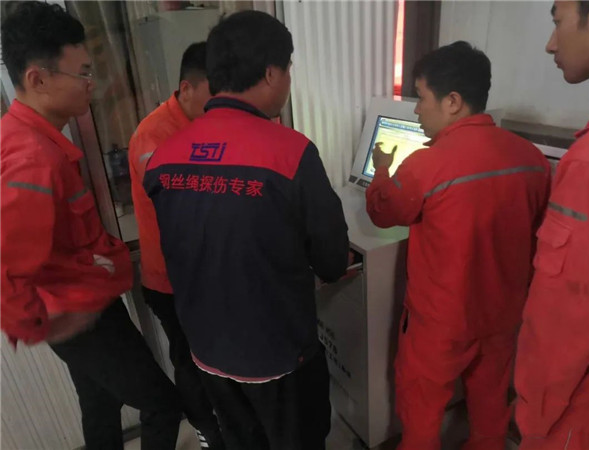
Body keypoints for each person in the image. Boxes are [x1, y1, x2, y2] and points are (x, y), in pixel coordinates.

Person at [144, 10, 349, 450]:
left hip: (208, 352)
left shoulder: (164, 158)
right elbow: (333, 262)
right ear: (272, 72)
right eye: (288, 69)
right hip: (279, 356)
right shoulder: (290, 153)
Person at [0, 3, 182, 449]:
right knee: (162, 404)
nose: (91, 83)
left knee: (100, 403)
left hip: (80, 306)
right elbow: (6, 263)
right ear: (38, 79)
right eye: (81, 73)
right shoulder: (32, 160)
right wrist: (41, 322)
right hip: (81, 317)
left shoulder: (25, 137)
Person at [365, 41, 551, 450]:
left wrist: (380, 170)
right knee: (489, 409)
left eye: (421, 97)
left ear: (452, 102)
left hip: (440, 324)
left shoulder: (426, 164)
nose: (417, 110)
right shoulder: (531, 158)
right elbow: (537, 233)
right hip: (502, 316)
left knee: (421, 414)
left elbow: (383, 212)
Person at [128, 42, 224, 449]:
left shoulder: (208, 123)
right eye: (213, 98)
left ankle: (225, 423)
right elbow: (186, 210)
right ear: (187, 88)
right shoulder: (153, 137)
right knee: (190, 360)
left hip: (207, 273)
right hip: (172, 281)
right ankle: (207, 432)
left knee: (217, 356)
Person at [514, 1, 589, 449]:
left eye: (558, 22)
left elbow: (564, 320)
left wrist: (534, 419)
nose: (551, 44)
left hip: (578, 412)